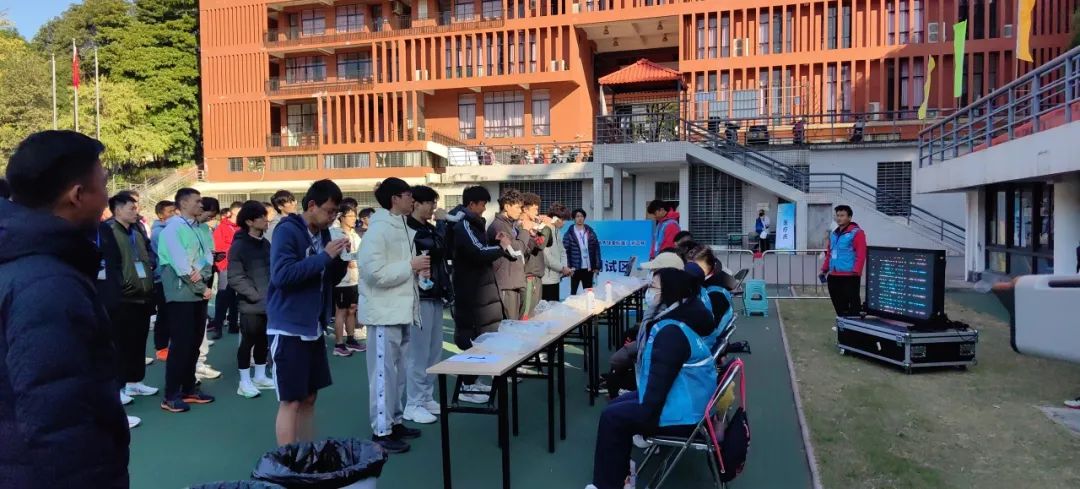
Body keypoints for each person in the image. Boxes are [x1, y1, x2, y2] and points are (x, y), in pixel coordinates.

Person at [0, 131, 129, 487]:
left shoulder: (27, 262)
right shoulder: (48, 283)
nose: (106, 198)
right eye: (103, 184)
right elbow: (57, 415)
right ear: (77, 195)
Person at [586, 268, 717, 489]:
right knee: (616, 408)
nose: (649, 291)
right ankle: (621, 477)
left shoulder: (670, 332)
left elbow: (658, 389)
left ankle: (607, 485)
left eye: (653, 287)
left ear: (669, 293)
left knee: (612, 418)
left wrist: (644, 424)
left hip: (683, 416)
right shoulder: (678, 320)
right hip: (688, 403)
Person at [267, 179, 348, 446]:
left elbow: (328, 278)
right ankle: (288, 460)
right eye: (329, 211)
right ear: (312, 205)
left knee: (310, 396)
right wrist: (324, 257)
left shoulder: (323, 234)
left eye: (336, 212)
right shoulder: (286, 231)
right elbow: (281, 276)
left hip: (313, 326)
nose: (332, 217)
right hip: (288, 327)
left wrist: (339, 260)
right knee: (291, 400)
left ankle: (307, 452)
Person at [357, 177, 428, 453]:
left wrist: (416, 270)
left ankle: (395, 421)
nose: (413, 199)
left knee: (397, 374)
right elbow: (373, 273)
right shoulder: (378, 230)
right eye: (408, 195)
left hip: (400, 311)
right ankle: (382, 431)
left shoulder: (402, 226)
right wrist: (410, 266)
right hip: (384, 314)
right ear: (394, 199)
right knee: (383, 375)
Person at [97, 191, 159, 428]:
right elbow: (107, 264)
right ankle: (119, 386)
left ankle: (135, 381)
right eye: (131, 208)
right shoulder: (107, 230)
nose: (136, 211)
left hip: (142, 294)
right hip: (121, 297)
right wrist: (117, 287)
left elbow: (148, 254)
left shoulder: (138, 229)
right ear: (117, 209)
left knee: (138, 341)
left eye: (136, 207)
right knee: (120, 344)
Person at [450, 186, 514, 403]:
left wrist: (496, 243)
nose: (485, 208)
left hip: (481, 290)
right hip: (471, 292)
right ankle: (466, 386)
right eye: (482, 204)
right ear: (471, 204)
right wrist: (501, 247)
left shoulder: (475, 224)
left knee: (482, 338)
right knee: (471, 338)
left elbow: (481, 248)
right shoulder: (463, 225)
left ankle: (472, 381)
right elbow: (477, 252)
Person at [157, 188, 216, 413]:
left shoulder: (196, 228)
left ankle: (188, 388)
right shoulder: (172, 229)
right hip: (181, 295)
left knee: (193, 343)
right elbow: (181, 266)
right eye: (197, 201)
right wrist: (202, 286)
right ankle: (171, 395)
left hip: (197, 293)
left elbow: (207, 257)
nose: (201, 205)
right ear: (183, 203)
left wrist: (203, 277)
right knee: (181, 345)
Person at [404, 185, 454, 425]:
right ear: (416, 203)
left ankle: (425, 396)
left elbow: (446, 250)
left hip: (434, 293)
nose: (434, 207)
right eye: (430, 203)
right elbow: (436, 249)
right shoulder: (410, 229)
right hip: (419, 295)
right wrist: (443, 224)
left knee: (434, 350)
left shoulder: (429, 228)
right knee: (418, 352)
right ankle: (412, 403)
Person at [228, 201, 276, 399]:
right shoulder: (239, 246)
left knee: (263, 340)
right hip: (251, 305)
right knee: (248, 342)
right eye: (261, 217)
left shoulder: (265, 243)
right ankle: (244, 381)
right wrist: (255, 295)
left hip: (268, 303)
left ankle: (260, 376)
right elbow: (235, 277)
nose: (266, 219)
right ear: (249, 221)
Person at [488, 188, 533, 320]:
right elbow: (516, 251)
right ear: (507, 207)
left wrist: (530, 233)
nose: (520, 211)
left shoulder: (512, 226)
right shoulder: (498, 226)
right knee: (510, 325)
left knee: (516, 324)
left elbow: (526, 249)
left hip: (516, 281)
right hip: (506, 284)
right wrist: (525, 231)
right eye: (518, 207)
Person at [330, 201, 365, 356]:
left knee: (352, 309)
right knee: (341, 311)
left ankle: (351, 340)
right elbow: (342, 256)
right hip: (341, 281)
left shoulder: (355, 234)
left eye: (354, 215)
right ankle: (339, 344)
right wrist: (351, 258)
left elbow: (361, 254)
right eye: (349, 216)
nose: (353, 219)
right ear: (341, 217)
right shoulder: (335, 233)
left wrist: (356, 258)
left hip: (355, 279)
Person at [819, 205, 867, 317]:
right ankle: (842, 323)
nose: (839, 218)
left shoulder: (857, 233)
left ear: (849, 217)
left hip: (849, 276)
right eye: (837, 215)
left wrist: (856, 272)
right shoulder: (834, 234)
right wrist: (824, 270)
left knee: (853, 307)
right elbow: (829, 253)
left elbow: (861, 254)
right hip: (833, 276)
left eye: (842, 215)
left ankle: (853, 325)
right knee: (839, 306)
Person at [685, 245, 735, 347]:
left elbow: (707, 328)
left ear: (709, 266)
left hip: (703, 344)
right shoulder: (716, 279)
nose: (690, 271)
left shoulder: (715, 293)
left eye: (696, 267)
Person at [208, 201, 243, 339]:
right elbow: (218, 249)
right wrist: (222, 265)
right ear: (232, 212)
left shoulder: (242, 227)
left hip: (240, 267)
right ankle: (218, 326)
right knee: (223, 297)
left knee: (236, 297)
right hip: (226, 267)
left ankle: (233, 324)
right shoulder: (222, 228)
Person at [520, 192, 554, 319]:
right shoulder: (523, 225)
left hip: (536, 275)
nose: (537, 212)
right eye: (535, 209)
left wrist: (543, 226)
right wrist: (546, 227)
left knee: (535, 315)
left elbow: (548, 242)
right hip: (529, 275)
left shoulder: (534, 224)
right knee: (527, 316)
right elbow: (540, 244)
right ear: (525, 209)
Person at [151, 200, 177, 360]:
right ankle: (161, 347)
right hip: (162, 278)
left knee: (172, 313)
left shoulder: (172, 229)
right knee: (164, 314)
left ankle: (170, 344)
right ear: (161, 215)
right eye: (169, 212)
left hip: (173, 277)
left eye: (174, 211)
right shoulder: (158, 233)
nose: (173, 214)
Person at [564, 208, 602, 295]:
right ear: (574, 218)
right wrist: (568, 267)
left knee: (588, 293)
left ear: (584, 218)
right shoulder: (569, 233)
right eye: (577, 216)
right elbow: (565, 252)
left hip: (588, 268)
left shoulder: (590, 232)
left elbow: (596, 249)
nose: (580, 218)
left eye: (581, 216)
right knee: (573, 293)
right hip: (575, 268)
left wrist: (597, 266)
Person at [542, 203, 573, 302]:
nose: (564, 223)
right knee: (546, 309)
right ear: (555, 218)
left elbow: (562, 251)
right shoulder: (544, 230)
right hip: (545, 280)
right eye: (563, 220)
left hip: (555, 278)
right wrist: (562, 268)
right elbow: (546, 257)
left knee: (554, 307)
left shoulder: (557, 231)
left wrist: (564, 268)